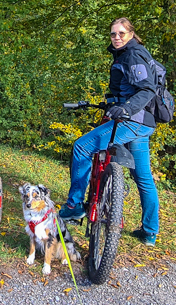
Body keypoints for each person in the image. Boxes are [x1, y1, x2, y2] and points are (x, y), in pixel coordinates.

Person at [59, 17, 161, 247]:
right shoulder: (127, 53)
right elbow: (127, 89)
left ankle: (74, 206)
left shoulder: (133, 54)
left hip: (133, 121)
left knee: (82, 147)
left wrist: (125, 108)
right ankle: (149, 232)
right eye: (113, 34)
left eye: (121, 33)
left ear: (131, 34)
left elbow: (147, 90)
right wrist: (112, 104)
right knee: (143, 177)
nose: (116, 37)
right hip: (142, 123)